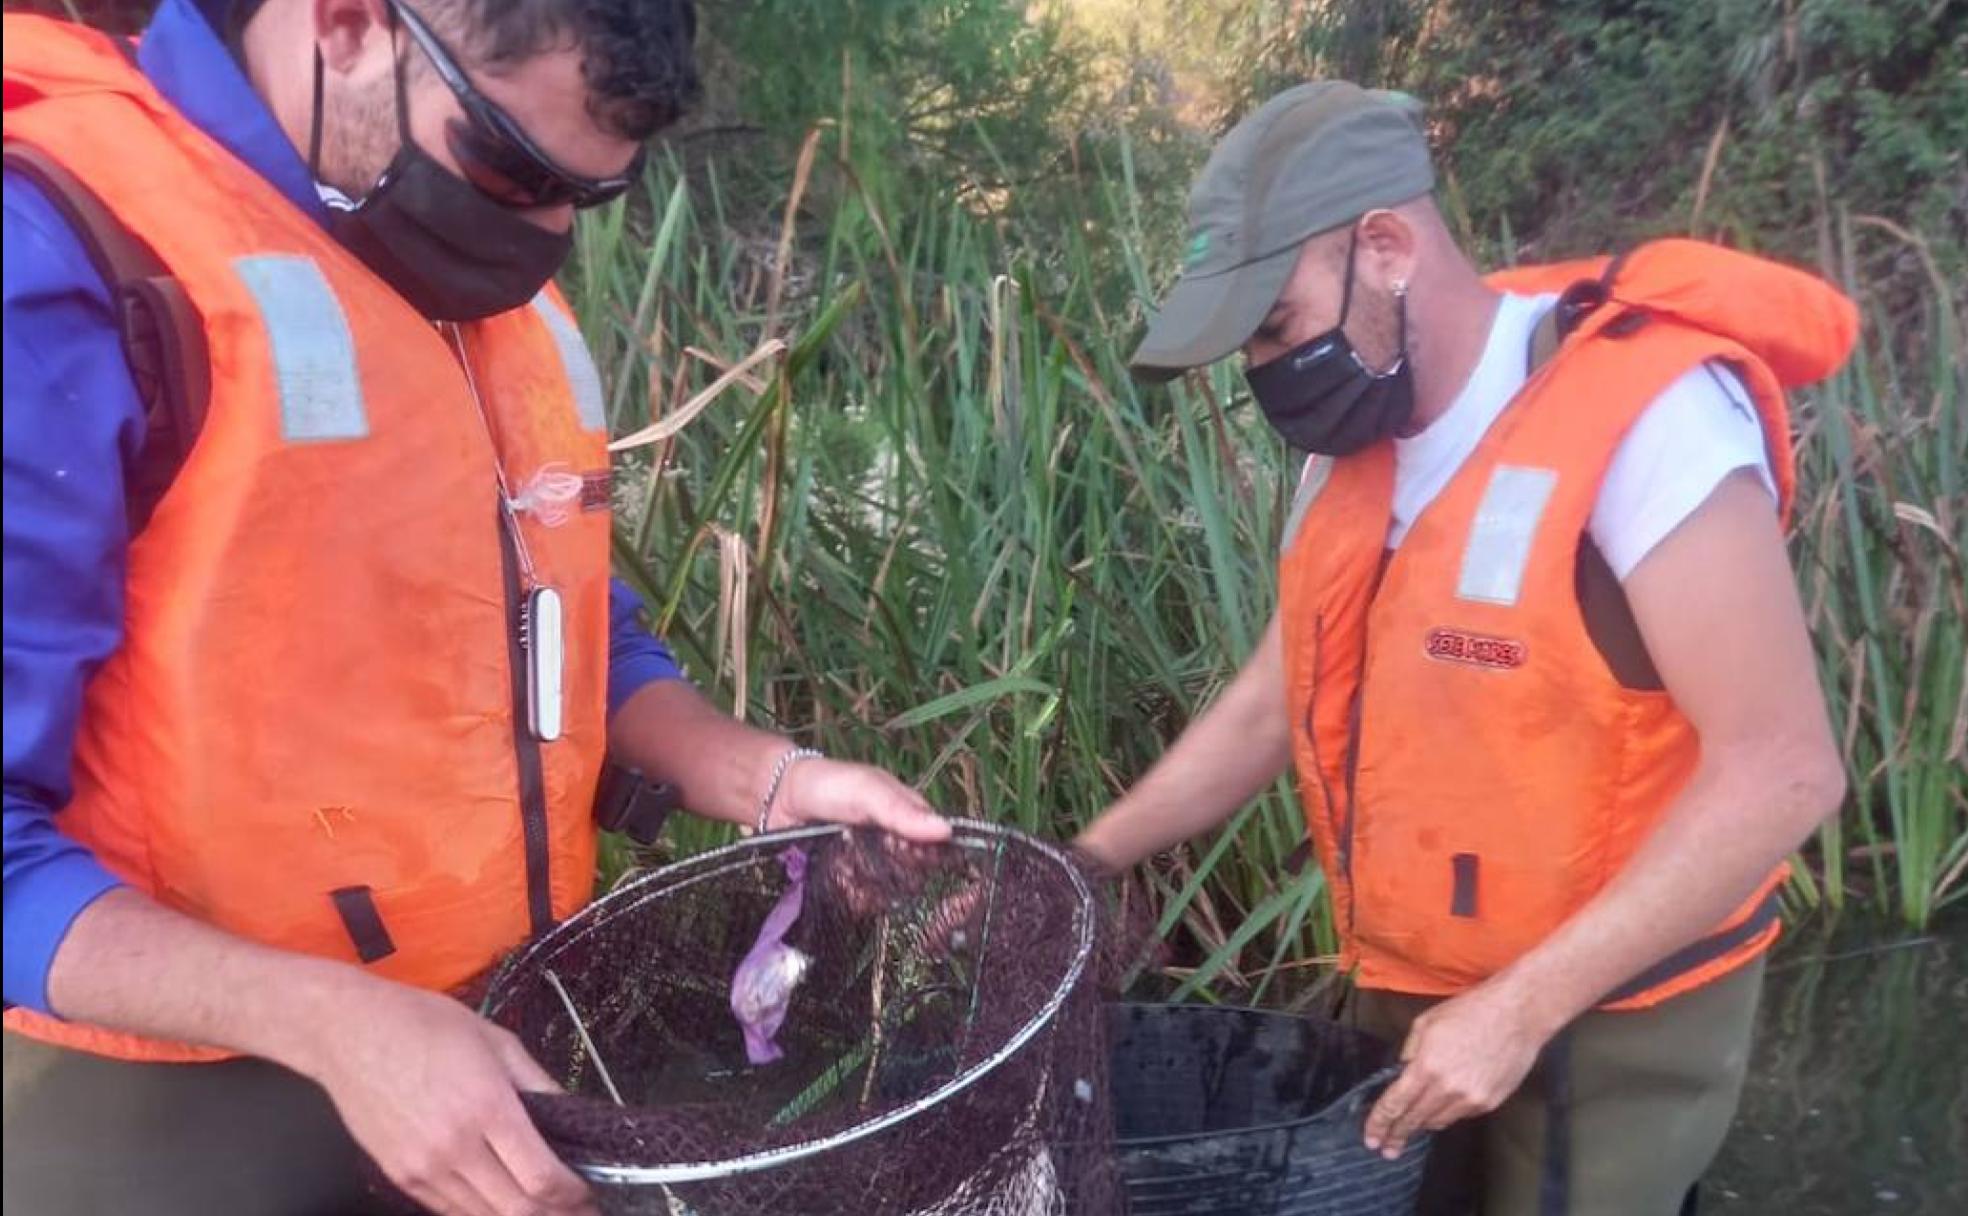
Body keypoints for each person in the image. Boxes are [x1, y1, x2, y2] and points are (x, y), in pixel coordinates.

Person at [1, 2, 949, 1214]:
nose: (542, 235)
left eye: (585, 197)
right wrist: (342, 1027)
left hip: (487, 1048)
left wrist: (772, 781)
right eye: (511, 164)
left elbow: (570, 635)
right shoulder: (59, 250)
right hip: (162, 1097)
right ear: (347, 26)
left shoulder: (484, 285)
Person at [1074, 82, 1856, 1214]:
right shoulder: (1351, 445)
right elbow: (1269, 704)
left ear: (1385, 245)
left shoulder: (1653, 419)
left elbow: (1785, 768)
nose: (1265, 373)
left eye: (1278, 325)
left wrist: (1523, 1006)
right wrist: (1085, 858)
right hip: (1416, 990)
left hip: (1617, 1015)